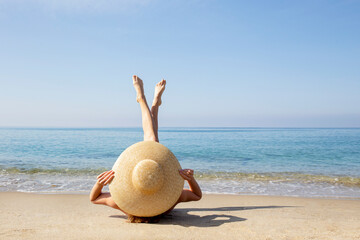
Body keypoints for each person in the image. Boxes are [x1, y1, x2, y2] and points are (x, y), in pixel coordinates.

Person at [89, 75, 202, 223]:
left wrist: (100, 184)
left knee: (152, 139)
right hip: (153, 168)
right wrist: (190, 179)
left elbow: (94, 198)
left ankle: (145, 100)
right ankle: (148, 102)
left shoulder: (124, 204)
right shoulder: (169, 204)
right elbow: (197, 195)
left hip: (147, 169)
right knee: (153, 139)